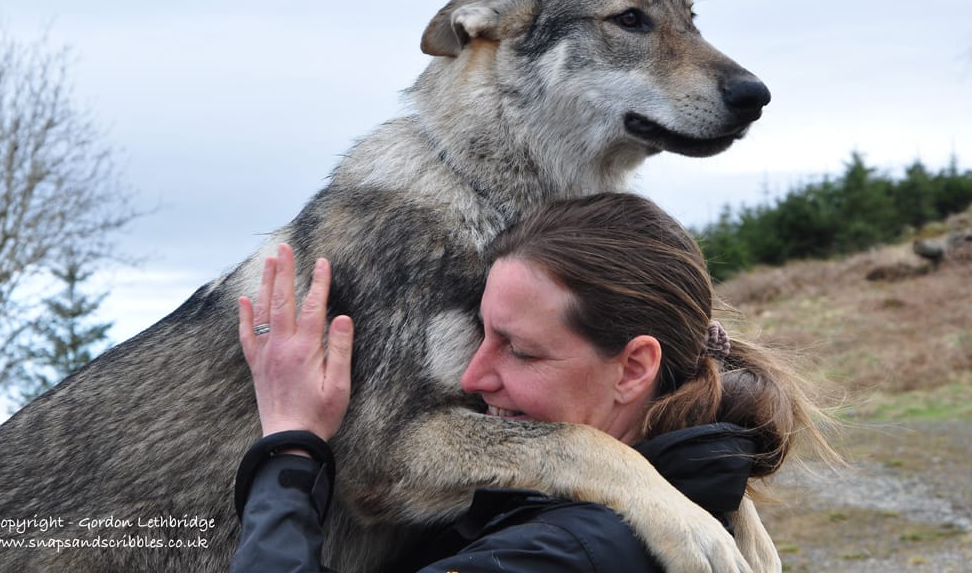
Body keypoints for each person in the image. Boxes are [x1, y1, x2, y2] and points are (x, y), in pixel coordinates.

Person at [229, 193, 834, 572]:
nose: (473, 376)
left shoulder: (564, 552)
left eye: (519, 351)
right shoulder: (705, 492)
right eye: (481, 336)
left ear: (632, 368)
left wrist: (289, 446)